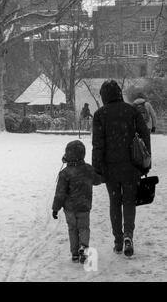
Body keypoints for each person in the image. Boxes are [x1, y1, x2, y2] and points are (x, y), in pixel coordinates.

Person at [92, 80, 151, 257]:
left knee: (115, 202)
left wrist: (97, 169)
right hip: (131, 166)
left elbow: (98, 144)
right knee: (129, 201)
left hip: (110, 168)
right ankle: (128, 235)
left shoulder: (100, 114)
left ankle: (118, 240)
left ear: (103, 96)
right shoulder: (131, 110)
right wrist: (145, 163)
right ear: (118, 93)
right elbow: (145, 135)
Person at [52, 140, 102, 263]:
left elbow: (60, 193)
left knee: (72, 229)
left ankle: (74, 253)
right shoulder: (88, 169)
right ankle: (84, 247)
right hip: (84, 206)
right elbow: (97, 180)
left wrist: (55, 208)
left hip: (69, 209)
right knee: (84, 228)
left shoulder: (64, 173)